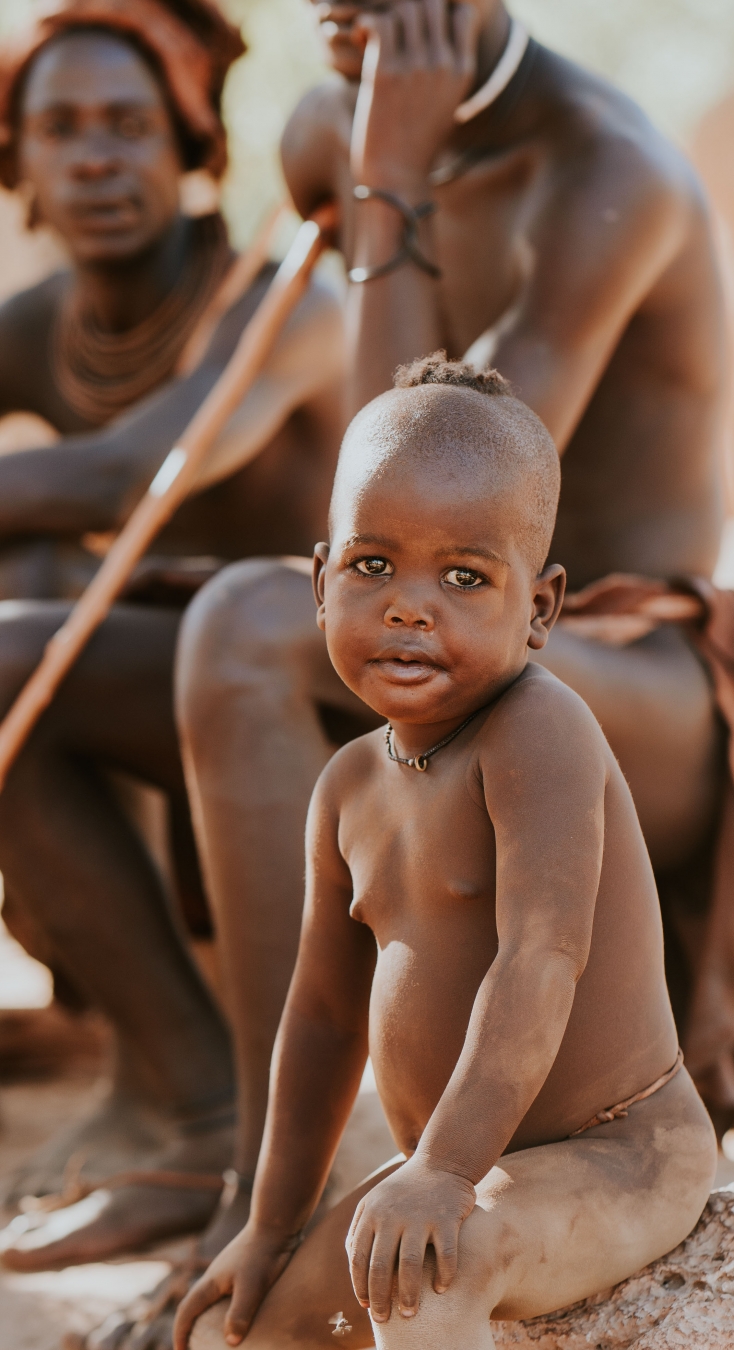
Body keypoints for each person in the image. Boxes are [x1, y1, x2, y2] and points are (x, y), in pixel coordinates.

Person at [177, 0, 734, 1211]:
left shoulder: (608, 175)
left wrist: (387, 184)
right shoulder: (329, 132)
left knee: (246, 627)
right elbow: (352, 507)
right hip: (429, 643)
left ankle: (272, 1183)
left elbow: (416, 456)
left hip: (616, 674)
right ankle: (182, 1106)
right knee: (46, 646)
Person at [173, 358, 718, 1350]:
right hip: (462, 1161)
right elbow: (325, 1015)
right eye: (372, 566)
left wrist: (443, 1173)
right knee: (237, 1329)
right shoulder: (346, 786)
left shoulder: (538, 734)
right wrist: (268, 1226)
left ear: (542, 609)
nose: (410, 607)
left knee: (435, 1266)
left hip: (617, 1150)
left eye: (465, 577)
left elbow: (540, 959)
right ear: (320, 578)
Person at [0, 0, 348, 1275]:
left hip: (334, 711)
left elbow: (124, 479)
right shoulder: (41, 327)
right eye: (61, 130)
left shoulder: (278, 301)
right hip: (178, 702)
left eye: (132, 128)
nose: (97, 158)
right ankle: (163, 1072)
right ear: (16, 167)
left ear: (194, 149)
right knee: (23, 575)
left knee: (14, 620)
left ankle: (205, 1106)